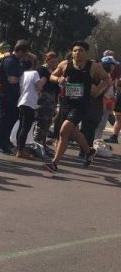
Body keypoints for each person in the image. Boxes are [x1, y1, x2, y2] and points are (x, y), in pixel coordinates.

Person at [44, 41, 110, 173]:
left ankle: (54, 163)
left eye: (80, 51)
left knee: (64, 131)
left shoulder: (93, 66)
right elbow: (51, 75)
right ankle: (89, 151)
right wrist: (58, 80)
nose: (76, 53)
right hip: (66, 103)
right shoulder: (65, 64)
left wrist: (97, 91)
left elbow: (106, 79)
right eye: (74, 50)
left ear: (86, 53)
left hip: (81, 104)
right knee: (73, 131)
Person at [0, 40, 29, 154]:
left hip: (13, 95)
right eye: (24, 53)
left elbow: (32, 59)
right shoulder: (10, 61)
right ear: (19, 51)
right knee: (5, 119)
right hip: (6, 94)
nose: (25, 56)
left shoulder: (17, 61)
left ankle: (5, 141)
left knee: (12, 118)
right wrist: (24, 79)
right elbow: (12, 79)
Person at [14, 58, 46, 159]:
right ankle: (20, 150)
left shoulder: (22, 75)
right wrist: (43, 81)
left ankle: (19, 148)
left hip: (21, 101)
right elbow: (38, 87)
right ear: (31, 65)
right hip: (29, 102)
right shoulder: (34, 73)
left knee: (21, 126)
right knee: (26, 127)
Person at [34, 51, 60, 148]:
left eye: (56, 62)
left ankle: (42, 144)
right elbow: (40, 85)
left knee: (47, 122)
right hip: (43, 99)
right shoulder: (42, 70)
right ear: (47, 60)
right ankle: (37, 144)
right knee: (41, 122)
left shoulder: (55, 71)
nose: (55, 64)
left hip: (52, 99)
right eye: (52, 62)